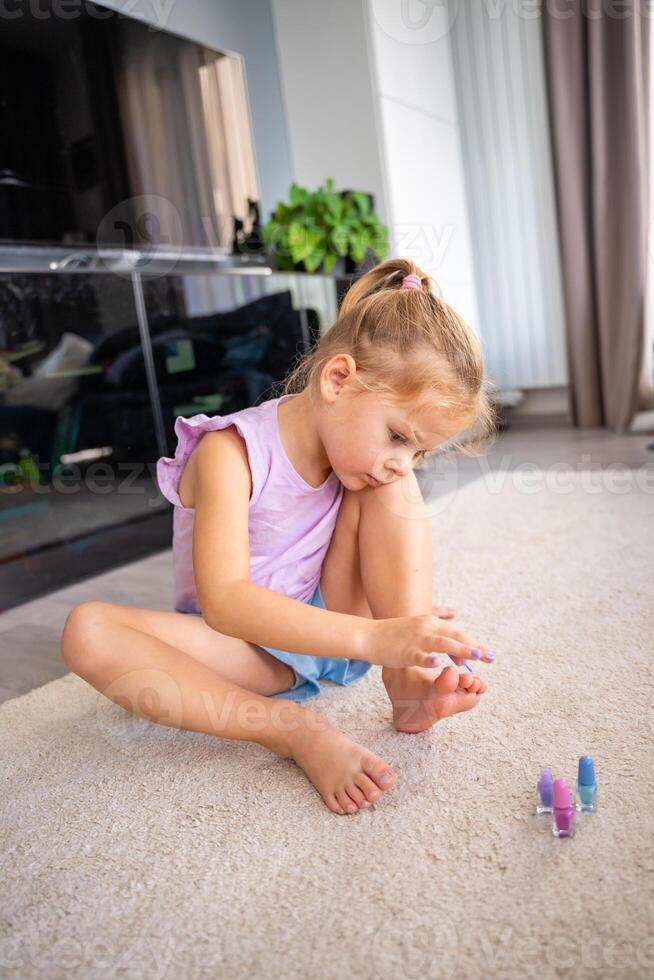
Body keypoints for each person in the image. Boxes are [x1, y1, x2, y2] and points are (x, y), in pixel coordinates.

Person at [60, 258, 498, 816]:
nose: (401, 461)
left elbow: (378, 513)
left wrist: (391, 638)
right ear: (337, 379)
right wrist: (371, 638)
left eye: (418, 451)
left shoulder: (367, 465)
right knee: (88, 631)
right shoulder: (231, 453)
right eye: (397, 437)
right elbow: (225, 603)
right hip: (245, 647)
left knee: (389, 487)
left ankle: (406, 682)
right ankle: (288, 729)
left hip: (334, 620)